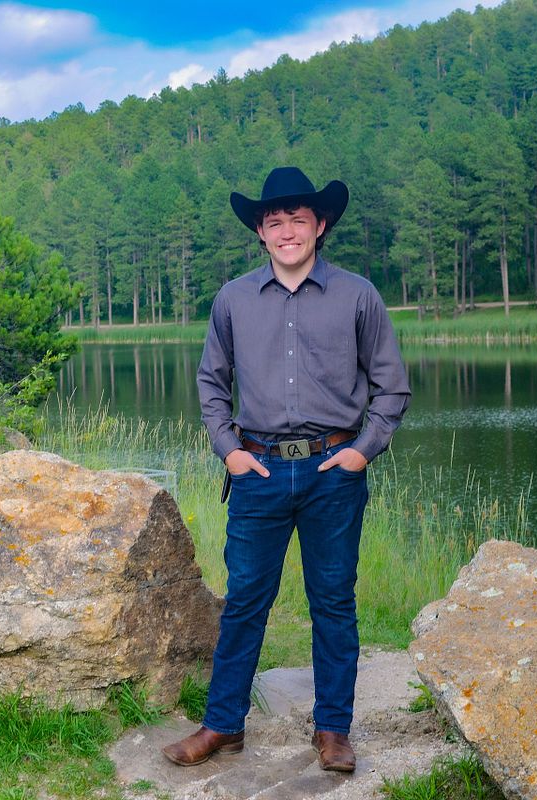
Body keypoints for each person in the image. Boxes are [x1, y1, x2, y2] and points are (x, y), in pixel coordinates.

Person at [162, 167, 411, 772]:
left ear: (320, 226)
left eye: (299, 220)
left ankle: (334, 731)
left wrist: (362, 450)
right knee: (246, 599)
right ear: (261, 232)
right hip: (259, 472)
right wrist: (230, 451)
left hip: (334, 471)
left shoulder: (358, 296)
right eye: (275, 222)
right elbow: (211, 382)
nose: (287, 231)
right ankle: (223, 725)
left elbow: (392, 387)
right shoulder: (232, 300)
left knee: (333, 601)